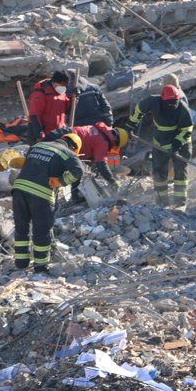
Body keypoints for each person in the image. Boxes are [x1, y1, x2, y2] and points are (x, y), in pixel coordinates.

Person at [11, 134, 84, 273]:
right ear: (74, 147)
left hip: (19, 190)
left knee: (21, 227)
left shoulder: (37, 146)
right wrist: (60, 181)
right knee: (41, 231)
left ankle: (20, 264)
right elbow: (78, 171)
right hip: (41, 193)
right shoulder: (67, 153)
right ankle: (40, 268)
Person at [126, 85, 193, 207]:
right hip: (160, 143)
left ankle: (180, 203)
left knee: (180, 171)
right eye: (170, 102)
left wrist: (176, 146)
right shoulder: (152, 102)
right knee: (159, 172)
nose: (173, 105)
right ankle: (162, 201)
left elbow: (186, 130)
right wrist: (130, 125)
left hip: (181, 143)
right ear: (162, 99)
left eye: (175, 102)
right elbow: (139, 109)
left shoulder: (183, 109)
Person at [44, 123, 129, 194]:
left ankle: (74, 195)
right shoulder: (103, 141)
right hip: (65, 141)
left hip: (58, 135)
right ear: (116, 139)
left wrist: (92, 165)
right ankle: (72, 196)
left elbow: (87, 147)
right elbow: (101, 164)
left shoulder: (99, 131)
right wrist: (112, 181)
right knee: (74, 170)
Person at [28, 70, 71, 144]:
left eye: (65, 85)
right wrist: (40, 135)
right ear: (54, 82)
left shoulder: (61, 94)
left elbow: (67, 109)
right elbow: (34, 116)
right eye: (62, 84)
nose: (63, 87)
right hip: (43, 134)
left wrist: (74, 98)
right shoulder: (40, 94)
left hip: (57, 133)